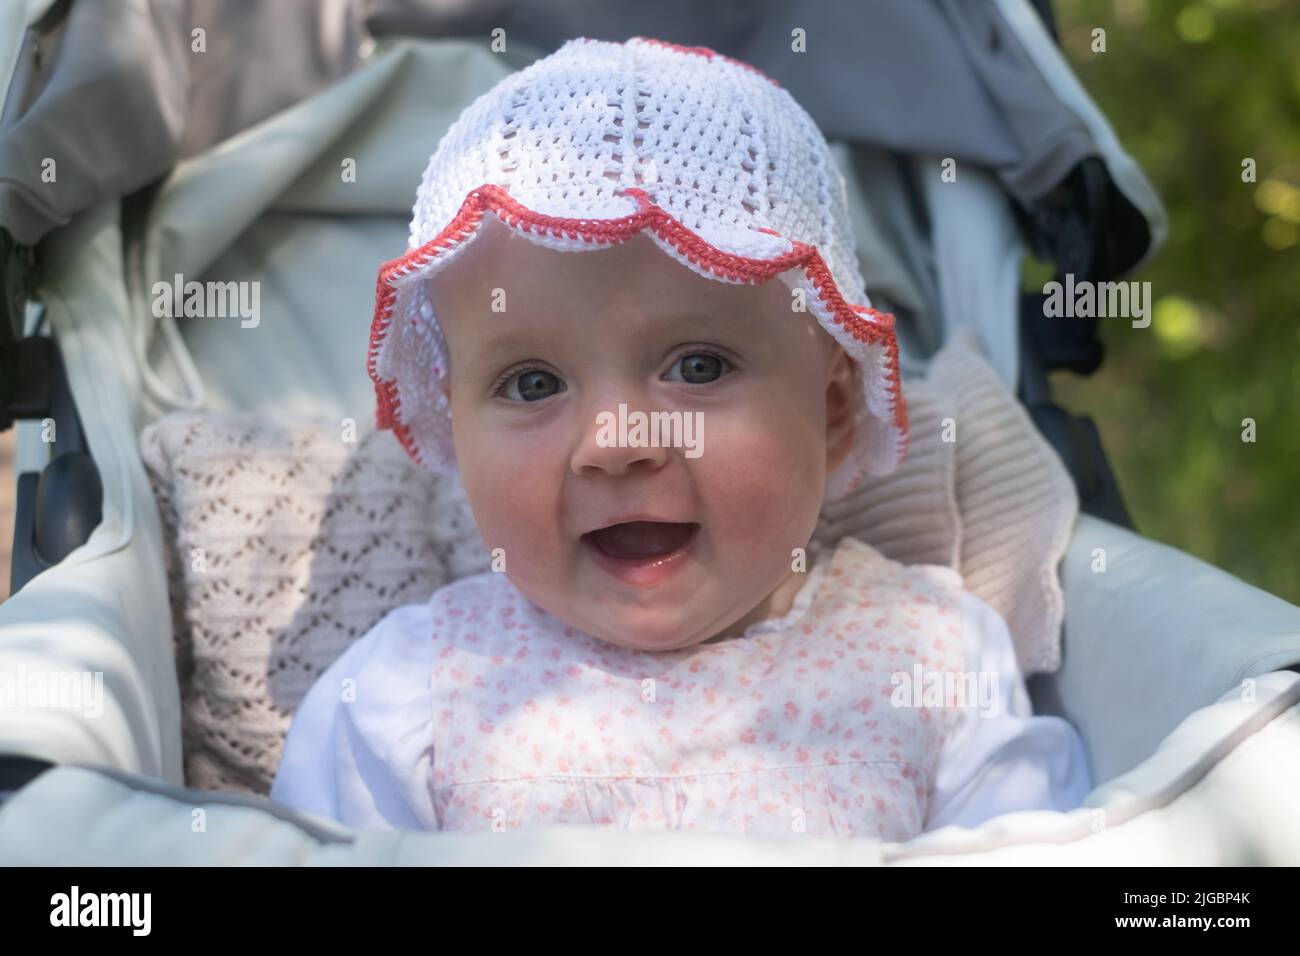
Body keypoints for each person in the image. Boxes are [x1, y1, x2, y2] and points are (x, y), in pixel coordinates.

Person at [271, 36, 1091, 839]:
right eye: (532, 383)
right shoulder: (410, 692)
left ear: (835, 414)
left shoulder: (926, 661)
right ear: (454, 425)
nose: (617, 442)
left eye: (699, 367)